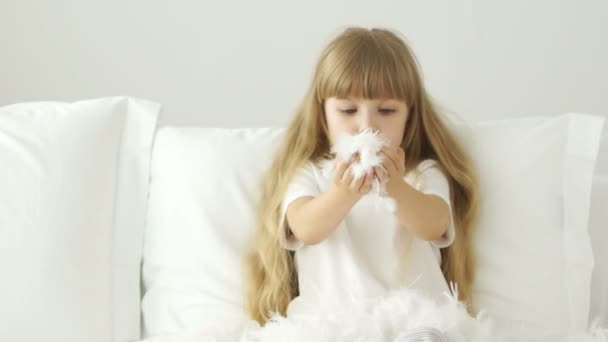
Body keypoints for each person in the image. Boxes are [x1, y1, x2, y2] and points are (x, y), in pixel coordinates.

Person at [244, 26, 479, 339]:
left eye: (386, 110)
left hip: (414, 325)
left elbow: (434, 225)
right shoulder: (311, 173)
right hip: (332, 326)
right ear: (323, 114)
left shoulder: (420, 173)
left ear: (409, 116)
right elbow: (305, 228)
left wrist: (395, 186)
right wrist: (343, 193)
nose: (367, 125)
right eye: (347, 110)